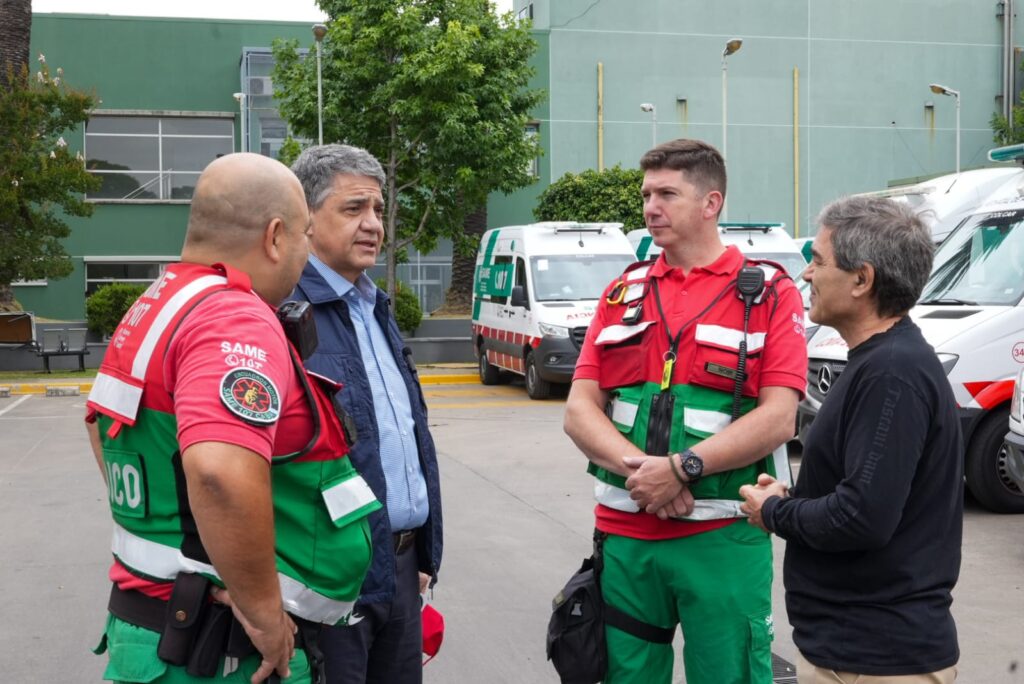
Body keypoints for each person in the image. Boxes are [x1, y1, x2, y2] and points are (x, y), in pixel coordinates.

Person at [85, 153, 377, 684]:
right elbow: (218, 473)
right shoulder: (233, 315)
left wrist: (177, 534)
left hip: (162, 631)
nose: (307, 251)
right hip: (217, 651)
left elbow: (97, 425)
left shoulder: (158, 303)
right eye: (305, 234)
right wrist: (264, 613)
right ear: (274, 237)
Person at [563, 138, 808, 684]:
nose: (651, 207)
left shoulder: (768, 293)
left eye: (667, 194)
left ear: (711, 202)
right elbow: (580, 409)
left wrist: (680, 468)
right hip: (626, 539)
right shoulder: (623, 292)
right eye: (647, 193)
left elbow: (778, 417)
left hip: (722, 539)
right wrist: (645, 474)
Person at [740, 196, 962, 684]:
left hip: (876, 660)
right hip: (856, 651)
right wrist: (795, 498)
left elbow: (861, 517)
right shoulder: (882, 362)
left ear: (862, 280)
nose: (805, 276)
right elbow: (868, 489)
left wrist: (773, 512)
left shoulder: (892, 373)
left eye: (817, 262)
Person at [288, 144, 442, 684]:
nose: (373, 225)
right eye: (353, 209)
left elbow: (405, 437)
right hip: (327, 577)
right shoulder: (284, 315)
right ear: (305, 219)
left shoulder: (374, 305)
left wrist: (422, 553)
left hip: (400, 571)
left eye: (378, 210)